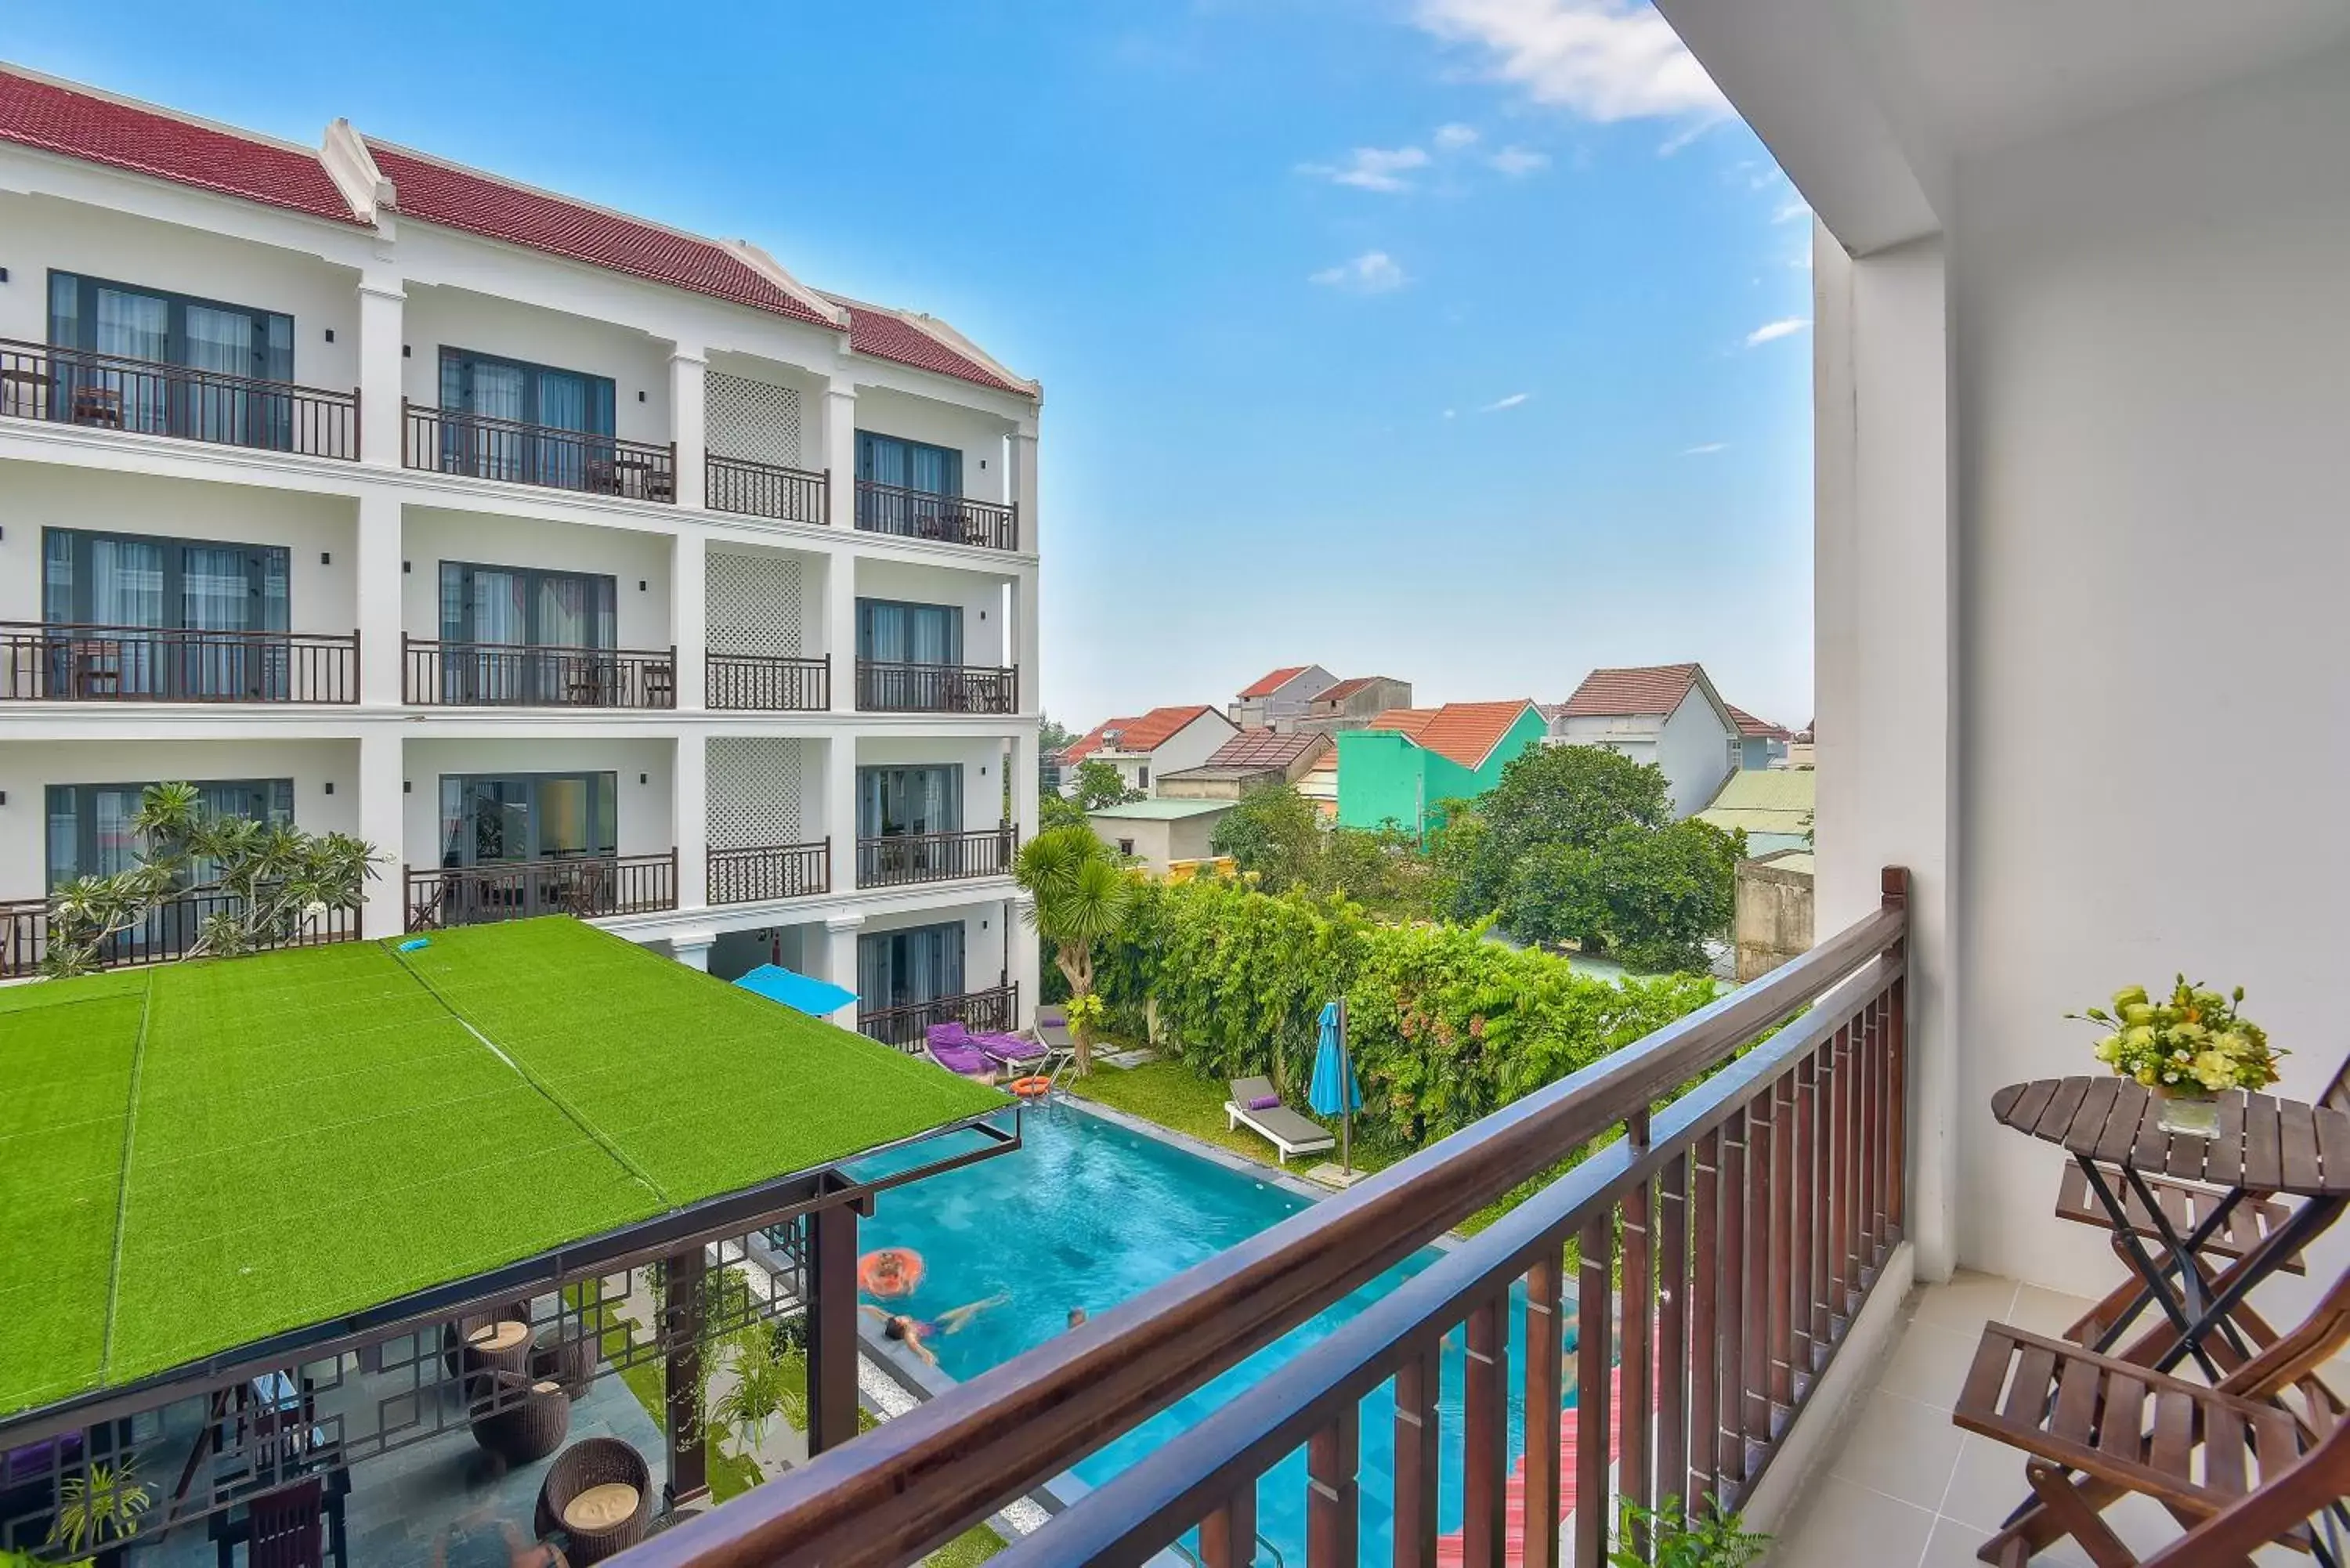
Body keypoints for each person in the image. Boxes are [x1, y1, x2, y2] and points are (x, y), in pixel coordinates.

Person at [860, 1294, 1007, 1367]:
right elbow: (915, 1346)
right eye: (901, 1318)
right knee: (971, 1312)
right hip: (945, 1332)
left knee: (971, 1306)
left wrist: (863, 1308)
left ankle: (996, 1300)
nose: (903, 1316)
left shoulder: (895, 1322)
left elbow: (878, 1312)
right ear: (901, 1326)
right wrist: (928, 1356)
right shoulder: (910, 1334)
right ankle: (999, 1304)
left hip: (936, 1323)